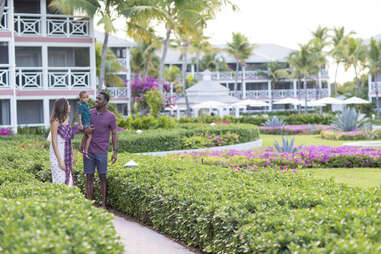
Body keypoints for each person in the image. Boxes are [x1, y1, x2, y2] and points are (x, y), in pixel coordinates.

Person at [84, 91, 118, 208]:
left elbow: (114, 134)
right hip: (89, 150)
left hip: (102, 151)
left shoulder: (111, 116)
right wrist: (86, 130)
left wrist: (115, 151)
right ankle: (90, 204)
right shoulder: (89, 113)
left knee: (102, 177)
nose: (96, 100)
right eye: (96, 98)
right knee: (89, 177)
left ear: (105, 102)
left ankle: (103, 204)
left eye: (99, 99)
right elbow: (81, 129)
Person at [49, 98, 76, 186]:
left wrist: (73, 155)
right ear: (63, 107)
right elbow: (53, 141)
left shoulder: (67, 119)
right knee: (60, 181)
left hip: (66, 150)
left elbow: (69, 139)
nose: (70, 106)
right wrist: (60, 161)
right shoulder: (55, 121)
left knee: (70, 182)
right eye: (68, 104)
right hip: (57, 151)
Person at [77, 91, 93, 159]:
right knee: (90, 136)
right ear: (81, 99)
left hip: (87, 123)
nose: (86, 99)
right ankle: (85, 151)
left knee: (85, 135)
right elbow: (79, 115)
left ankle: (81, 147)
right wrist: (80, 124)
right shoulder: (81, 106)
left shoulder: (86, 105)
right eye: (84, 98)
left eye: (87, 97)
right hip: (85, 123)